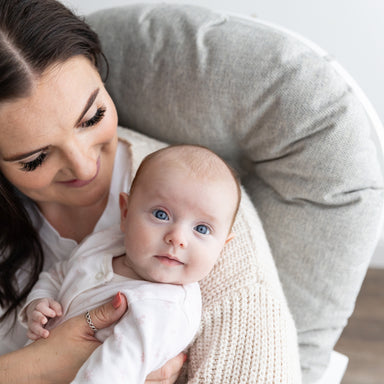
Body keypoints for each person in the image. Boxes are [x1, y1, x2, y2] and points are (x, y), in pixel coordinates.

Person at [0, 0, 302, 383]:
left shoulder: (208, 209)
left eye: (93, 117)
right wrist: (36, 368)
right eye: (35, 158)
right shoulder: (97, 248)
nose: (84, 166)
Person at [19, 145, 240, 383]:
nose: (177, 238)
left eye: (202, 229)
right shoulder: (105, 243)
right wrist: (39, 302)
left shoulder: (164, 308)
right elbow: (60, 273)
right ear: (125, 213)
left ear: (222, 247)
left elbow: (113, 372)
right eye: (161, 214)